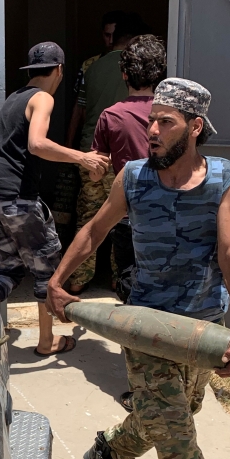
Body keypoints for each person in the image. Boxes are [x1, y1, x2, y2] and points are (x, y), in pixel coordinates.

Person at [46, 78, 230, 459]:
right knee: (174, 428)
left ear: (195, 127)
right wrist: (58, 281)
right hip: (146, 324)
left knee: (175, 410)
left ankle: (107, 451)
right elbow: (95, 230)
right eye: (151, 121)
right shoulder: (134, 177)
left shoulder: (225, 179)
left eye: (166, 122)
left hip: (202, 323)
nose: (153, 131)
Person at [0, 41, 110, 356]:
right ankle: (47, 341)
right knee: (47, 271)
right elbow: (37, 144)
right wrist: (82, 157)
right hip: (18, 200)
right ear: (59, 70)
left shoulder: (13, 98)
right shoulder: (42, 98)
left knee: (8, 272)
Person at [67, 15, 146, 294]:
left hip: (90, 152)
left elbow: (79, 108)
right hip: (121, 154)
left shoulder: (91, 67)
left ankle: (78, 278)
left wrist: (71, 146)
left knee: (88, 216)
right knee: (122, 218)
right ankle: (117, 277)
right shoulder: (136, 69)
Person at [91, 33, 167, 303]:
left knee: (130, 282)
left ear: (124, 74)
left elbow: (95, 173)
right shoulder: (172, 116)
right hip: (168, 212)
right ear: (159, 74)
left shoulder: (111, 116)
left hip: (128, 214)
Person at [65, 10, 125, 149]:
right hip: (93, 138)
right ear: (101, 34)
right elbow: (79, 106)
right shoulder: (89, 65)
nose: (111, 41)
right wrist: (69, 142)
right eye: (107, 35)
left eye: (114, 36)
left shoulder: (132, 64)